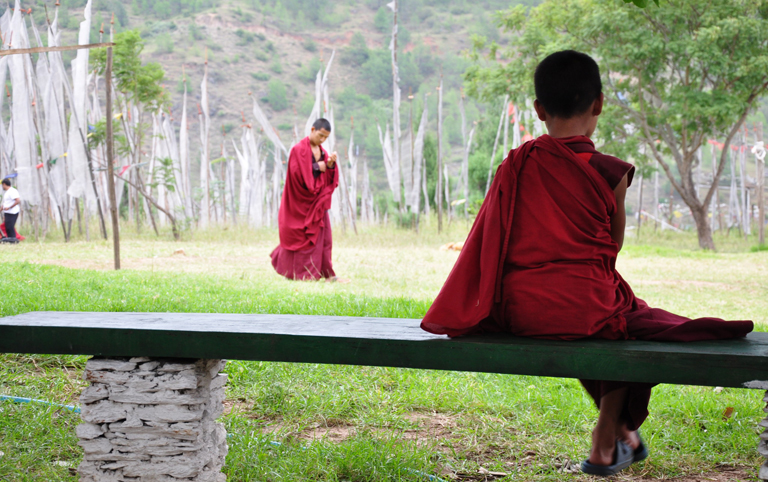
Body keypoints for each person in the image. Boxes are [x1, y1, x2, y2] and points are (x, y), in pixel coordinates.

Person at [420, 51, 753, 476]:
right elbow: (610, 249)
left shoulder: (516, 166)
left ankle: (623, 438)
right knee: (615, 322)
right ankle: (608, 439)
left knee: (589, 318)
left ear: (539, 110)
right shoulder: (610, 173)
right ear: (599, 104)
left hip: (520, 310)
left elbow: (493, 241)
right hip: (587, 304)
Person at [271, 118, 347, 282]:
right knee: (301, 238)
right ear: (312, 130)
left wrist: (331, 165)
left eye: (325, 138)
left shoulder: (323, 153)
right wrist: (317, 167)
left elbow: (327, 179)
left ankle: (326, 274)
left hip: (317, 204)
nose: (322, 140)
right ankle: (302, 274)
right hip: (300, 203)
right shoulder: (298, 150)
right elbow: (296, 174)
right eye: (320, 135)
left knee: (323, 240)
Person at [2, 178, 20, 243]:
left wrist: (9, 207)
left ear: (4, 184)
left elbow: (17, 200)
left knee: (10, 227)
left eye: (2, 185)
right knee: (7, 227)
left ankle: (13, 240)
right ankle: (10, 241)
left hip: (13, 212)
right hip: (7, 213)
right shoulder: (7, 192)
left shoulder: (12, 191)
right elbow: (5, 204)